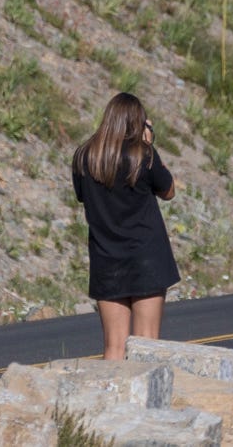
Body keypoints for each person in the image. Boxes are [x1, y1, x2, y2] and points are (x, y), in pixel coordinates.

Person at [72, 92, 179, 360]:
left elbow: (83, 197)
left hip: (106, 258)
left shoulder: (84, 157)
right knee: (147, 344)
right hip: (147, 257)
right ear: (138, 123)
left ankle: (112, 399)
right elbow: (168, 191)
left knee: (114, 347)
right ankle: (143, 402)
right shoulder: (144, 155)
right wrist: (150, 144)